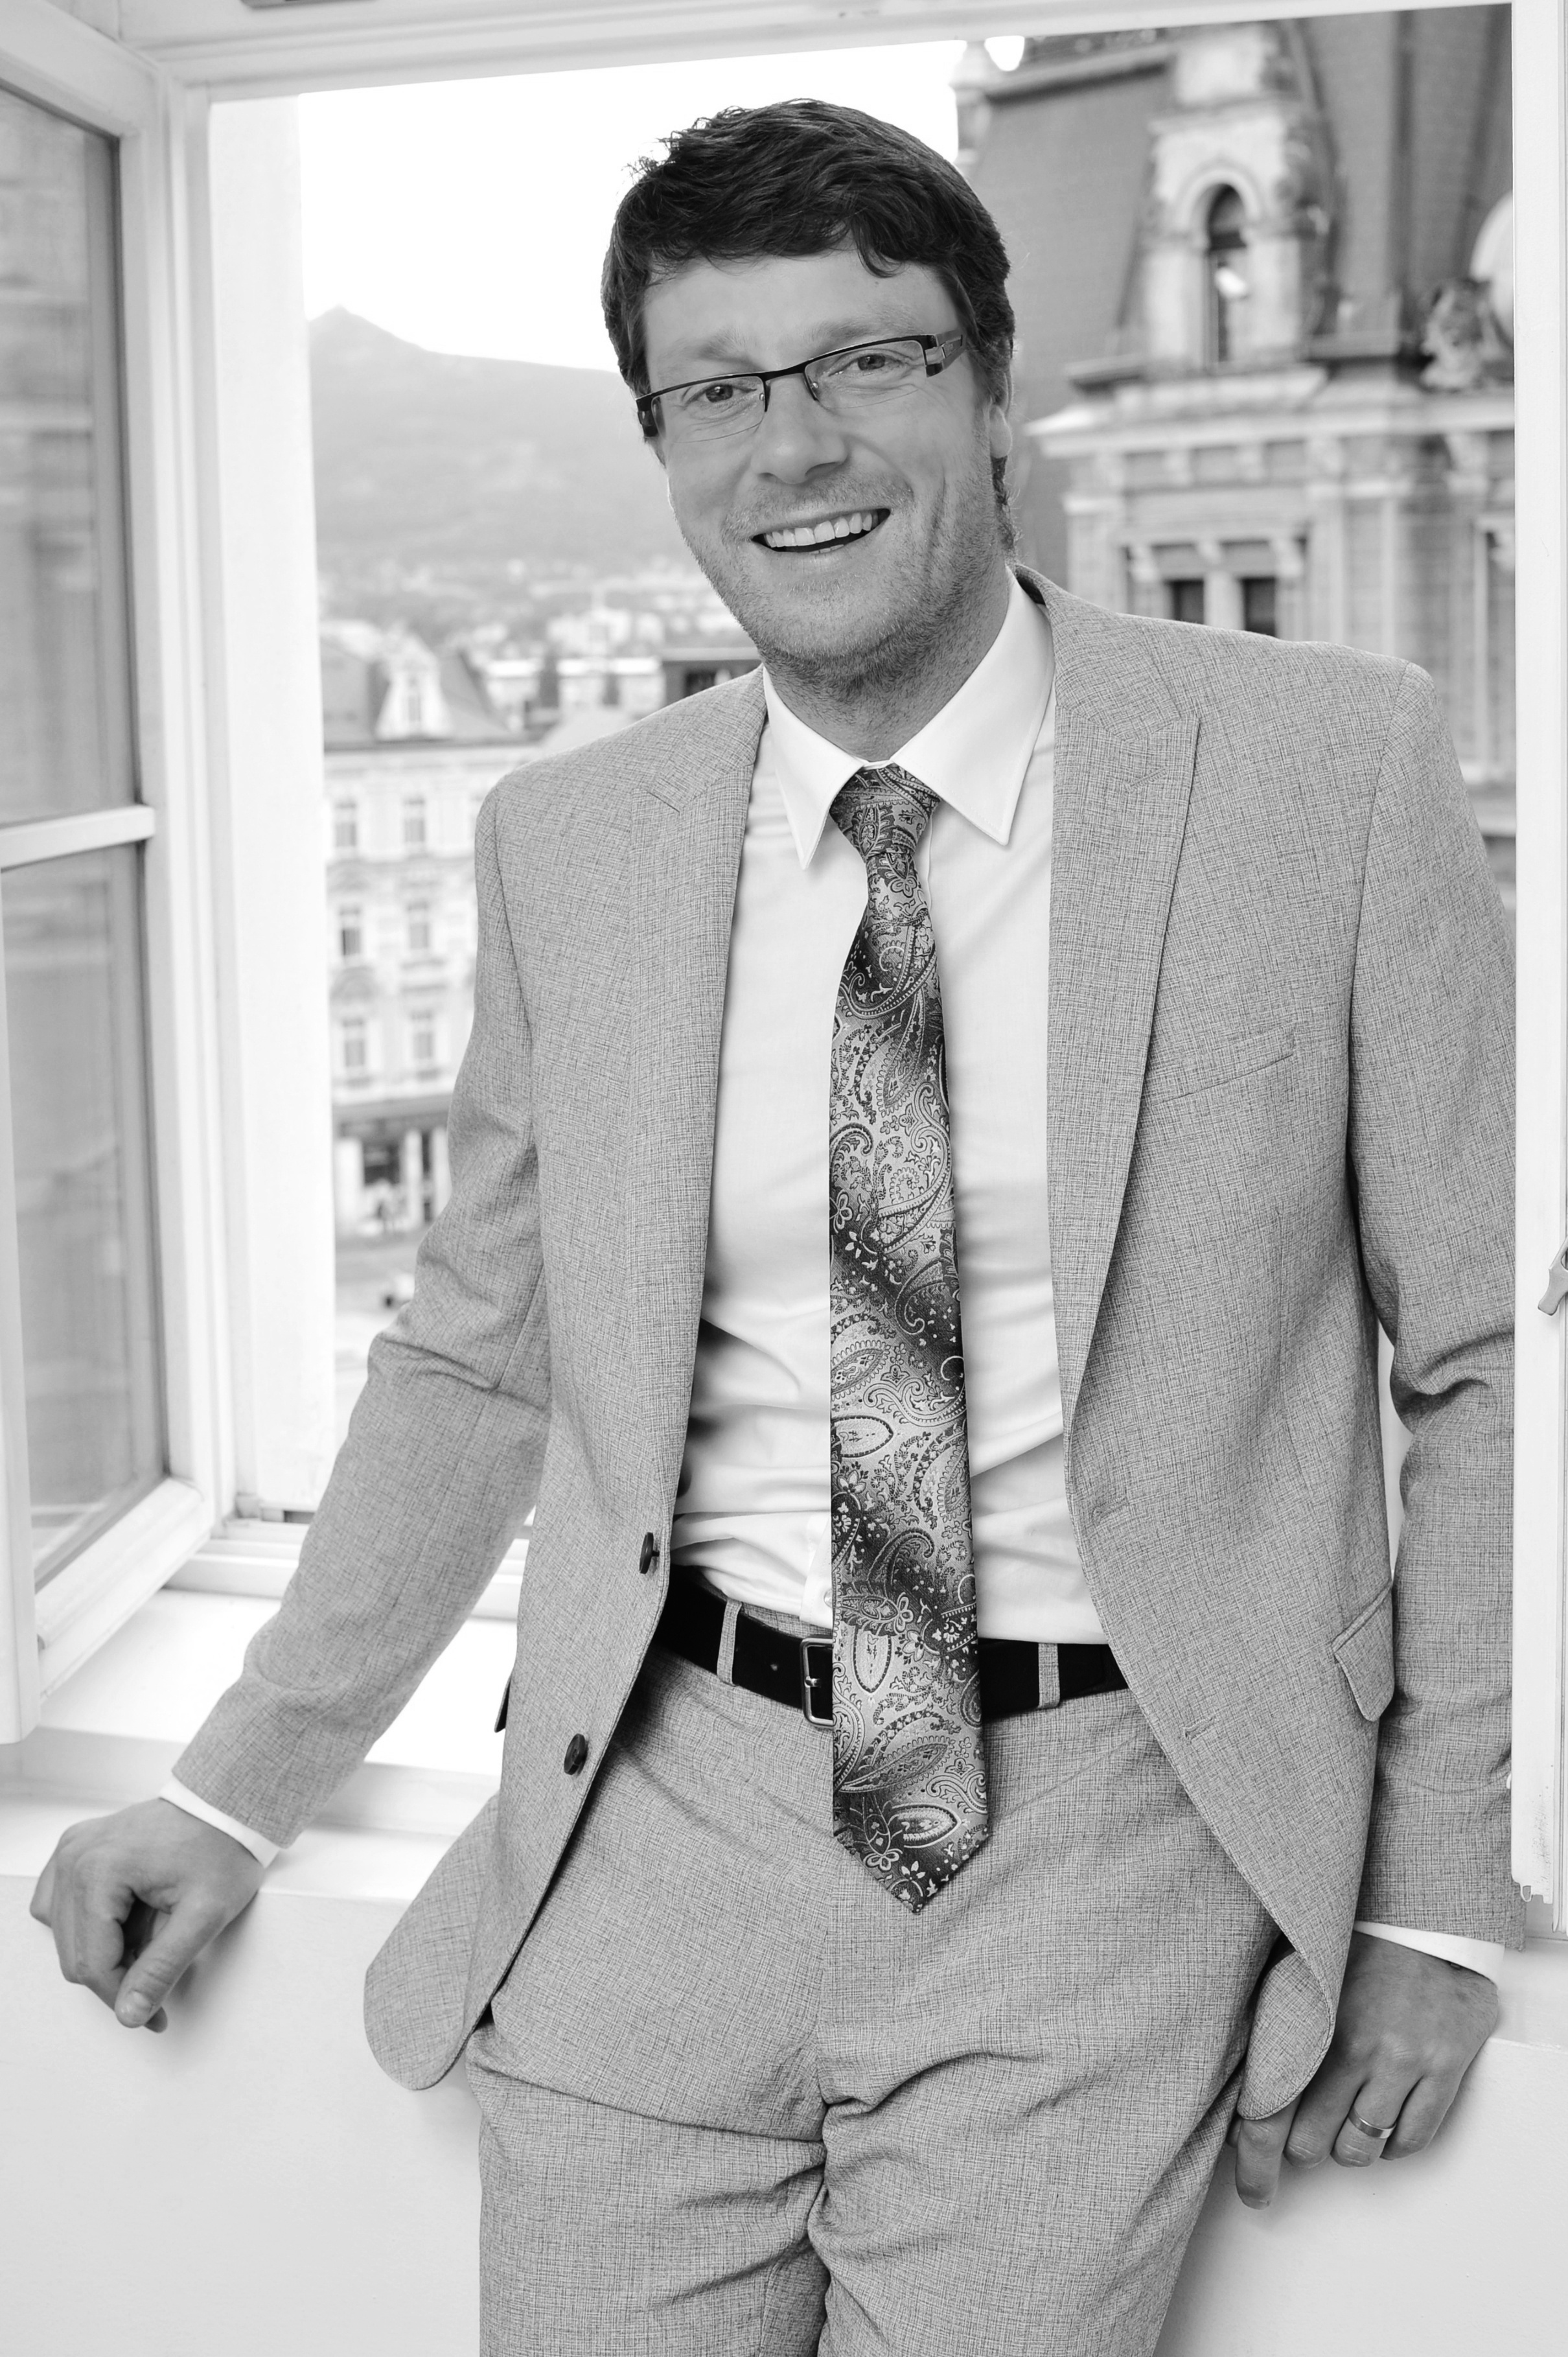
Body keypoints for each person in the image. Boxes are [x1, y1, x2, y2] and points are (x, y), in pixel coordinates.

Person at [33, 101, 1518, 2355]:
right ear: (660, 441)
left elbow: (1479, 1360)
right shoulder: (574, 839)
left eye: (863, 360)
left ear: (988, 386)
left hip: (1106, 1844)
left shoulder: (1326, 766)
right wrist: (236, 1792)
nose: (789, 444)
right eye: (713, 388)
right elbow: (473, 1356)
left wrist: (1431, 1893)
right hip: (660, 1821)